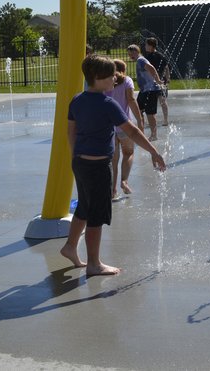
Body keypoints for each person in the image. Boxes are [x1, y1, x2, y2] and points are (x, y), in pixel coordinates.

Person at [61, 54, 166, 276]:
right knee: (96, 215)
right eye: (111, 76)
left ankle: (70, 246)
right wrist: (154, 151)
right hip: (98, 167)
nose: (115, 79)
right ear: (98, 78)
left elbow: (71, 131)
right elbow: (132, 132)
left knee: (84, 207)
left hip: (80, 163)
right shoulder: (108, 104)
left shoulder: (77, 100)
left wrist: (74, 154)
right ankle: (94, 264)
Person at [106, 58, 144, 199]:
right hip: (124, 125)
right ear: (124, 70)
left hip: (109, 126)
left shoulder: (106, 82)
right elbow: (131, 100)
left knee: (113, 160)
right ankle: (124, 181)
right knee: (128, 153)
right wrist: (139, 119)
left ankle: (112, 191)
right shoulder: (127, 81)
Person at [127, 44, 163, 139]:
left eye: (132, 54)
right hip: (144, 91)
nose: (130, 56)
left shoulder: (141, 60)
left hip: (150, 90)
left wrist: (158, 80)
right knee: (139, 111)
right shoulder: (140, 61)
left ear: (137, 52)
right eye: (129, 54)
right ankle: (141, 134)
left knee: (150, 114)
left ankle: (154, 135)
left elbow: (151, 68)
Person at [143, 37, 171, 126]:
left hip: (154, 82)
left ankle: (153, 120)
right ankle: (165, 120)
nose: (145, 46)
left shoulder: (148, 57)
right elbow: (167, 68)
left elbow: (147, 70)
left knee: (153, 102)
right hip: (161, 81)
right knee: (162, 101)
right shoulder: (160, 55)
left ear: (151, 46)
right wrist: (168, 79)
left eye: (146, 45)